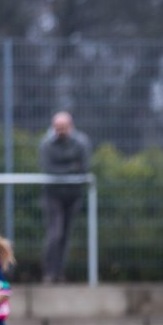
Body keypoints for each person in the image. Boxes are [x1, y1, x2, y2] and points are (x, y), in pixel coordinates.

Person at [37, 111, 92, 284]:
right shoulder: (46, 144)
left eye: (63, 127)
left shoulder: (81, 142)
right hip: (52, 195)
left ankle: (59, 273)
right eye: (57, 127)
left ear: (71, 126)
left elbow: (84, 167)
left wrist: (64, 170)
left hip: (73, 195)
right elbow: (48, 168)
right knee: (55, 233)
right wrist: (71, 168)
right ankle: (49, 272)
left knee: (66, 236)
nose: (60, 131)